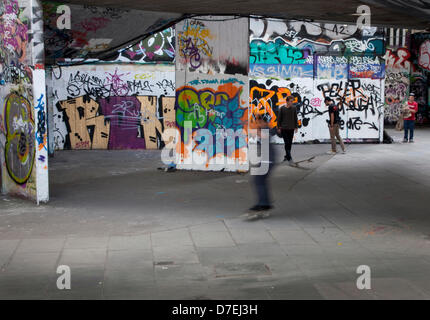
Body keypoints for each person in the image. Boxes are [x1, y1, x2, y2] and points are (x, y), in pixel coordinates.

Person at [245, 111, 276, 218]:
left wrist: (254, 128)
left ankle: (263, 204)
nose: (257, 123)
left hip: (268, 159)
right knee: (261, 181)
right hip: (266, 159)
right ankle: (265, 203)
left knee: (258, 180)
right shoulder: (263, 129)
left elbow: (263, 136)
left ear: (263, 121)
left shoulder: (267, 129)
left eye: (259, 121)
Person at [277, 95, 298, 166]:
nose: (292, 103)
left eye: (293, 101)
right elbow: (279, 119)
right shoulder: (282, 109)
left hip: (291, 128)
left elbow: (295, 117)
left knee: (290, 143)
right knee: (287, 142)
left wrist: (296, 127)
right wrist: (279, 127)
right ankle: (289, 158)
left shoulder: (294, 108)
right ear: (287, 101)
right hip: (284, 129)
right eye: (291, 101)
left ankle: (286, 156)